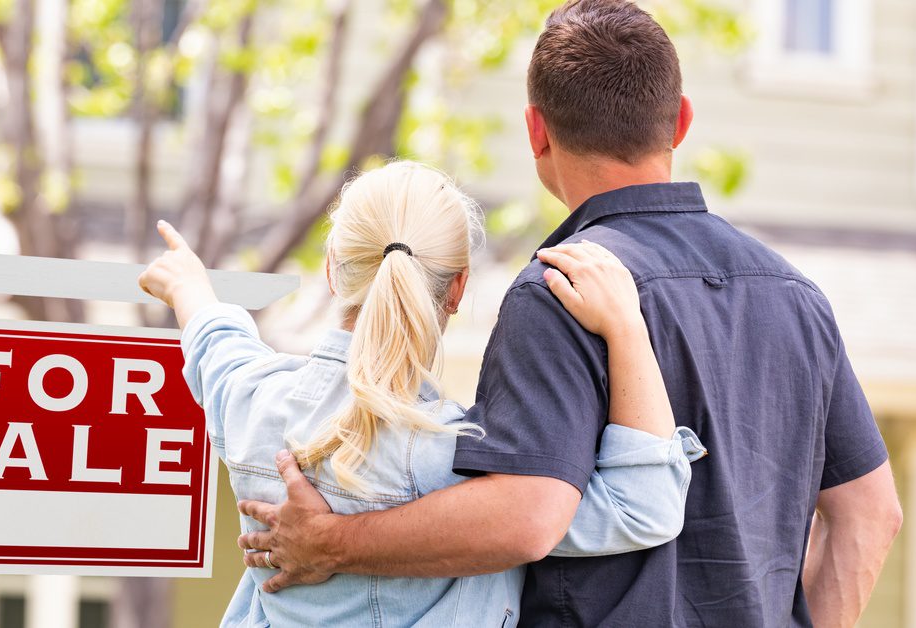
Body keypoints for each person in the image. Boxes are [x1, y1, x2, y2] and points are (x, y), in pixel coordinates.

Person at [234, 2, 904, 627]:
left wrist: (334, 542)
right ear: (681, 122)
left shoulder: (557, 291)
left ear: (536, 131)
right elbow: (871, 515)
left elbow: (525, 517)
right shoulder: (795, 297)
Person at [138, 160, 707, 626]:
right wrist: (626, 327)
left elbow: (217, 345)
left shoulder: (253, 402)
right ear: (457, 288)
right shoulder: (465, 465)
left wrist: (189, 287)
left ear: (332, 271)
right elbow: (642, 506)